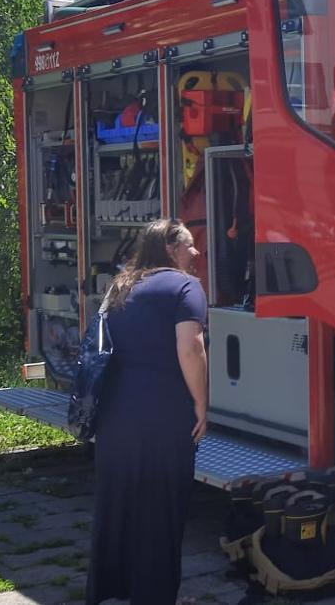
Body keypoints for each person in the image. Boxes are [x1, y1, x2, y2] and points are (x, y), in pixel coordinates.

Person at [87, 219, 209, 605]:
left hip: (115, 416)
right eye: (189, 245)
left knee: (118, 509)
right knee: (160, 513)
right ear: (171, 249)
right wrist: (202, 403)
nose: (196, 252)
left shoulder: (121, 286)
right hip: (164, 416)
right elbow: (190, 347)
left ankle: (108, 591)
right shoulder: (185, 286)